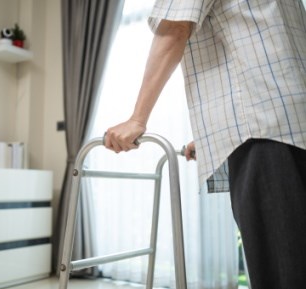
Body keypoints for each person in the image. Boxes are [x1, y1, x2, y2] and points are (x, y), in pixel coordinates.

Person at [104, 0, 306, 288]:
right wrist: (221, 132)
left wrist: (137, 118)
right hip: (293, 126)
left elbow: (175, 27)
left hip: (263, 131)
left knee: (282, 273)